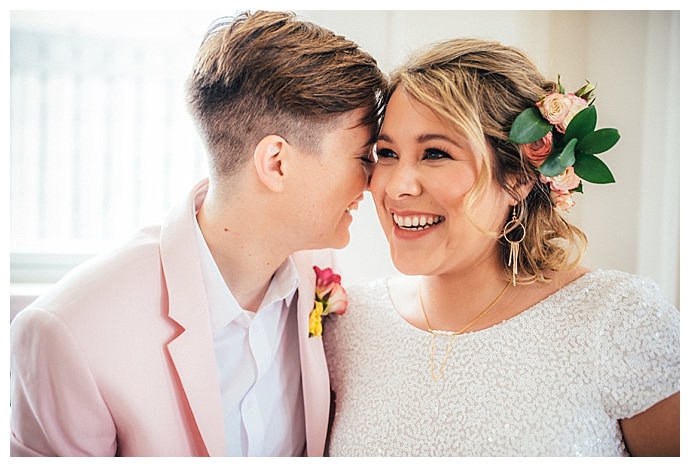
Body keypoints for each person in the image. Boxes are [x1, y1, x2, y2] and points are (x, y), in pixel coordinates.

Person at [10, 10, 386, 456]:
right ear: (277, 163)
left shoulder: (317, 266)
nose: (374, 180)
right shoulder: (67, 333)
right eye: (365, 157)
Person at [323, 38, 679, 456]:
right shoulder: (347, 325)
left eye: (435, 153)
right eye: (387, 153)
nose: (397, 186)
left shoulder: (616, 321)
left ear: (518, 177)